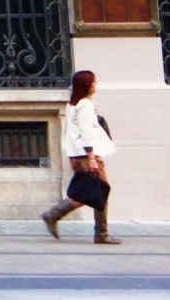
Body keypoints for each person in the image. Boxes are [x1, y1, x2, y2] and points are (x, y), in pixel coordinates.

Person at [41, 68, 122, 244]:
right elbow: (86, 132)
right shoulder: (84, 104)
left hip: (77, 154)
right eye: (93, 82)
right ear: (86, 85)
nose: (95, 85)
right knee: (99, 192)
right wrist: (91, 157)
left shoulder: (73, 105)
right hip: (86, 155)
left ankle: (57, 215)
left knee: (92, 191)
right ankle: (99, 232)